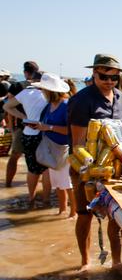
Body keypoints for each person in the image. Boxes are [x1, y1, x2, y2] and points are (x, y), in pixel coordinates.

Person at [67, 54, 122, 273]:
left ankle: (117, 262)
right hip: (84, 167)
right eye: (104, 76)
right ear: (94, 73)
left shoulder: (120, 97)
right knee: (84, 215)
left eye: (114, 77)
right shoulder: (82, 100)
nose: (109, 81)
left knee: (115, 216)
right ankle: (85, 261)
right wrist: (90, 172)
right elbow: (77, 144)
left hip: (112, 168)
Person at [4, 70, 51, 208]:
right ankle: (46, 201)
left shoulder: (26, 93)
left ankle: (31, 198)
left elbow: (6, 106)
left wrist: (24, 117)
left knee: (32, 169)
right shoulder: (50, 95)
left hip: (28, 133)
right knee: (47, 169)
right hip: (46, 133)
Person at [31, 73, 76, 217]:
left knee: (67, 184)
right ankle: (62, 210)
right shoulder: (49, 105)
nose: (41, 92)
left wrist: (48, 127)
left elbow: (71, 130)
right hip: (52, 148)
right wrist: (39, 126)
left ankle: (73, 213)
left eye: (43, 90)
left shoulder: (65, 105)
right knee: (58, 184)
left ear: (50, 91)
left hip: (63, 149)